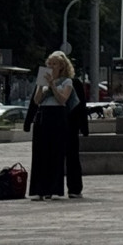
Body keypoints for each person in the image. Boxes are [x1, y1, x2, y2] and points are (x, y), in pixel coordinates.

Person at [30, 51, 76, 200]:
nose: (51, 66)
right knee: (40, 153)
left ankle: (52, 188)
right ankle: (39, 189)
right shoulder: (42, 81)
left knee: (55, 153)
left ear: (61, 66)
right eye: (49, 64)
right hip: (43, 115)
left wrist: (52, 85)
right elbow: (36, 101)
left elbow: (63, 99)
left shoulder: (66, 81)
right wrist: (41, 85)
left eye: (54, 64)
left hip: (57, 116)